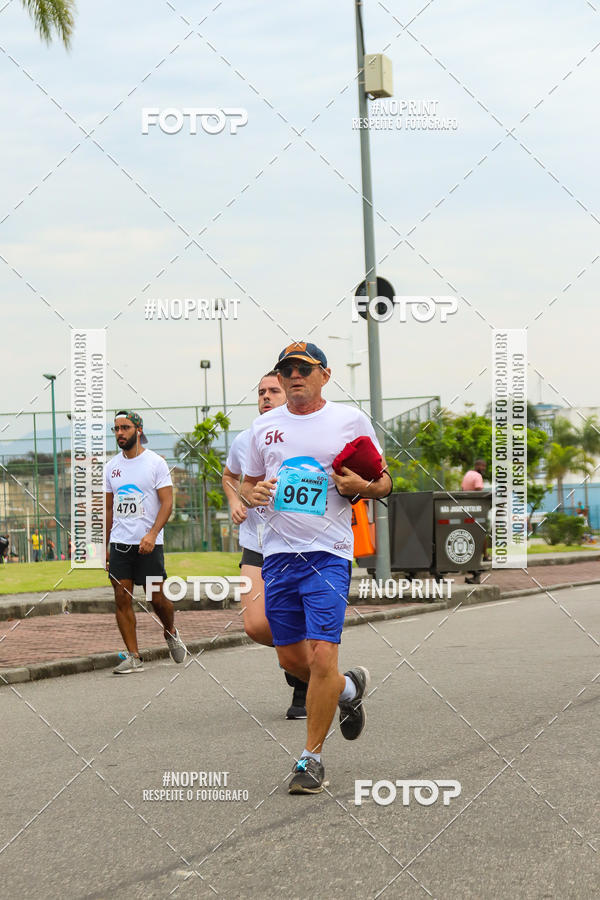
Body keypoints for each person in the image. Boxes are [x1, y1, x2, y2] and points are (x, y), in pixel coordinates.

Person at [241, 341, 392, 794]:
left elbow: (384, 482)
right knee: (292, 659)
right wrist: (254, 494)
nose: (294, 377)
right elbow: (247, 485)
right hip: (279, 556)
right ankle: (347, 691)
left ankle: (310, 760)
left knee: (323, 654)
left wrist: (361, 484)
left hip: (329, 553)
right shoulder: (263, 427)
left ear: (324, 375)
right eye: (287, 370)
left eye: (303, 369)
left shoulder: (349, 421)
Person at [222, 371, 309, 719]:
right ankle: (301, 663)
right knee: (256, 626)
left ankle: (304, 686)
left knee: (298, 621)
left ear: (288, 392)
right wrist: (236, 500)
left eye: (273, 390)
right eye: (261, 392)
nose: (266, 397)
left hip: (302, 545)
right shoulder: (246, 439)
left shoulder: (307, 435)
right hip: (257, 543)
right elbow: (229, 477)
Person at [105, 410, 187, 674]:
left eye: (125, 428)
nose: (120, 433)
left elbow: (167, 502)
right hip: (120, 543)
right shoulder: (111, 467)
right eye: (116, 429)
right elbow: (108, 510)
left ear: (138, 430)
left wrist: (152, 534)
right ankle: (134, 656)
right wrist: (106, 546)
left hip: (149, 544)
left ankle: (170, 631)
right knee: (121, 597)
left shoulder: (155, 463)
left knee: (157, 598)